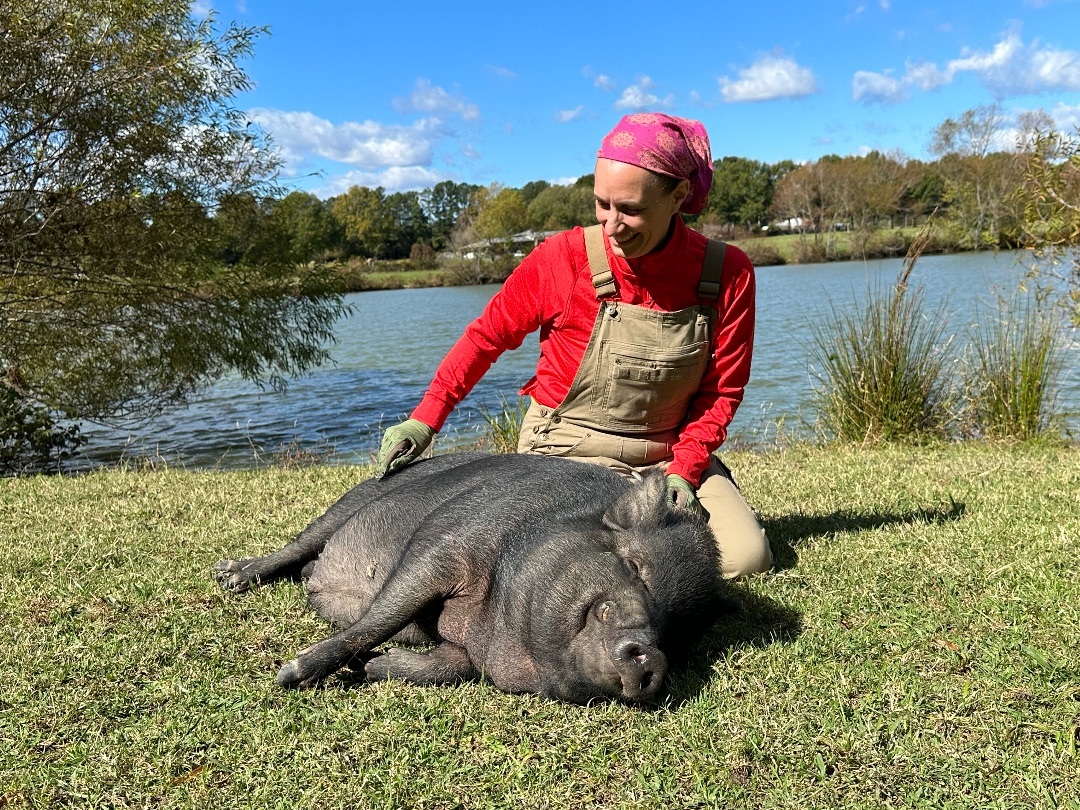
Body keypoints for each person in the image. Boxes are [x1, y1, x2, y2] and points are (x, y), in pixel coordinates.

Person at [374, 112, 773, 579]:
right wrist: (426, 418)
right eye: (602, 204)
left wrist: (685, 470)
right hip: (566, 450)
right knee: (572, 564)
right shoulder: (560, 259)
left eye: (630, 209)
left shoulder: (727, 272)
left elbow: (722, 391)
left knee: (745, 558)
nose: (612, 225)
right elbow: (484, 339)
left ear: (678, 196)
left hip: (667, 456)